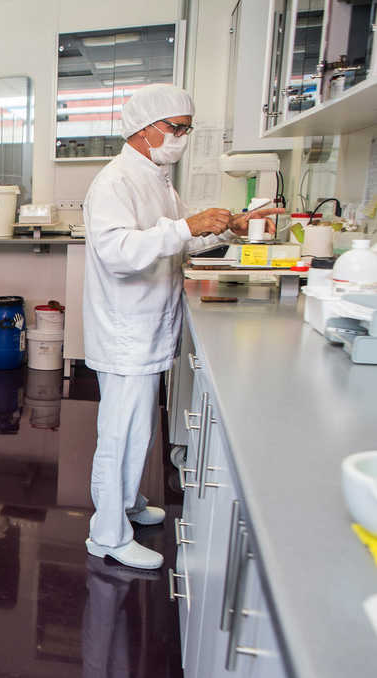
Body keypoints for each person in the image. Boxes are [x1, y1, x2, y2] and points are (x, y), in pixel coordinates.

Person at [82, 84, 281, 569]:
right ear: (145, 129)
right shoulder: (114, 182)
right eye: (177, 128)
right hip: (126, 327)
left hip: (149, 324)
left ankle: (126, 506)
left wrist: (225, 227)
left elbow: (173, 242)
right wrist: (188, 226)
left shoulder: (158, 179)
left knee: (138, 427)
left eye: (186, 129)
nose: (183, 138)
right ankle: (105, 533)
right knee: (119, 431)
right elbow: (119, 252)